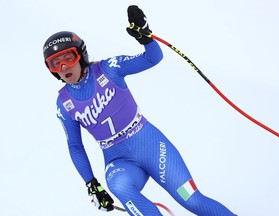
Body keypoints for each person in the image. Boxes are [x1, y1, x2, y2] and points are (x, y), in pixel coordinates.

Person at [43, 5, 237, 216]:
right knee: (119, 186)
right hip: (119, 162)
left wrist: (146, 38)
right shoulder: (64, 103)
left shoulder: (110, 68)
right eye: (55, 63)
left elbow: (152, 58)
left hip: (151, 146)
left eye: (68, 58)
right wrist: (91, 184)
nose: (63, 68)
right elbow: (75, 146)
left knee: (192, 200)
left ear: (81, 55)